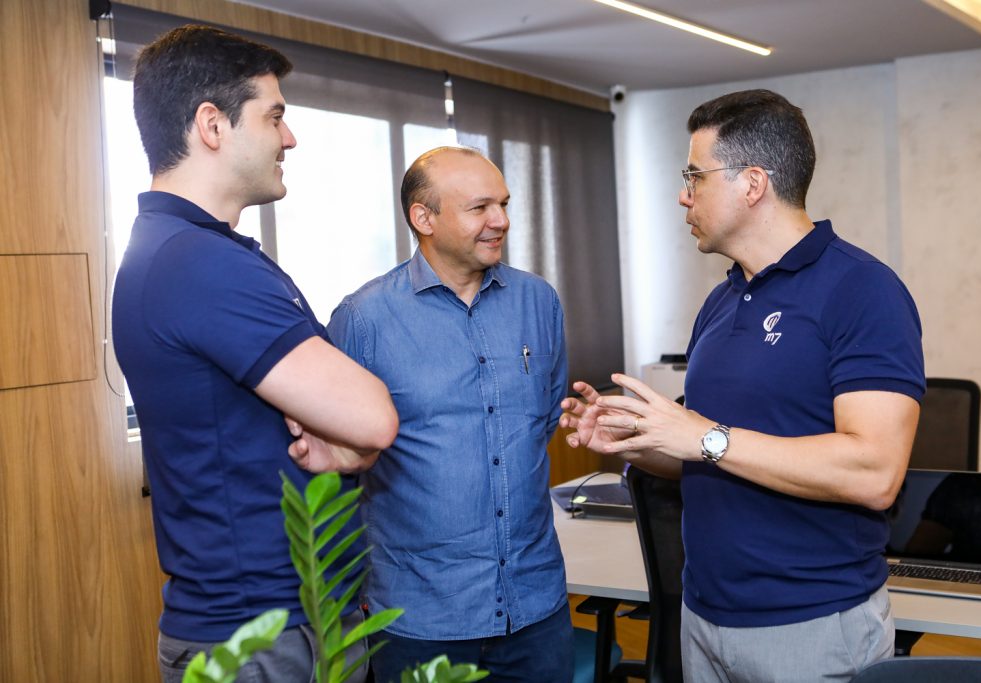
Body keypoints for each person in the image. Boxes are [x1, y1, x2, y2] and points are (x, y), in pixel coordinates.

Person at [561, 89, 925, 682]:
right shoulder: (722, 300)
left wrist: (704, 436)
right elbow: (704, 455)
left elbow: (875, 473)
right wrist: (635, 438)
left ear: (753, 184)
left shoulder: (863, 290)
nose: (683, 195)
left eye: (694, 176)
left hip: (811, 625)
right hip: (703, 617)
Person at [112, 25, 398, 683]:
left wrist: (348, 439)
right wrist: (351, 437)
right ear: (212, 125)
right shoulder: (196, 262)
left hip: (287, 620)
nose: (288, 138)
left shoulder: (193, 251)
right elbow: (372, 417)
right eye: (274, 116)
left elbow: (351, 423)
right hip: (259, 635)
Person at [327, 146, 573, 683]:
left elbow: (541, 422)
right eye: (480, 207)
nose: (501, 220)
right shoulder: (363, 320)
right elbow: (336, 467)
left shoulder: (539, 302)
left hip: (537, 606)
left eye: (504, 204)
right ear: (424, 217)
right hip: (420, 616)